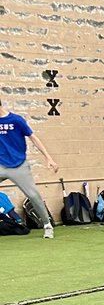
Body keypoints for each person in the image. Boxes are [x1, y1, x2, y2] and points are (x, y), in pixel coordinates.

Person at [0, 93, 59, 240]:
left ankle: (47, 225)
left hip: (18, 166)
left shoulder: (16, 120)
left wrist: (49, 158)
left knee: (33, 195)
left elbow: (34, 138)